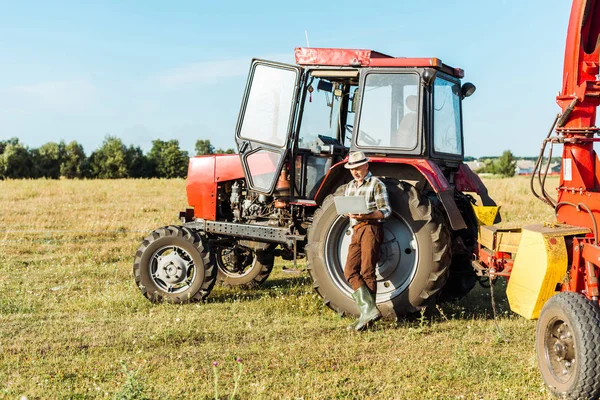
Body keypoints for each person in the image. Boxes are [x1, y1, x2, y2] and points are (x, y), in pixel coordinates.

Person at [343, 151, 391, 331]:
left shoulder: (376, 184)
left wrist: (368, 215)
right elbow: (347, 208)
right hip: (356, 228)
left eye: (358, 168)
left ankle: (367, 319)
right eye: (352, 169)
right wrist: (346, 211)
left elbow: (385, 210)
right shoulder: (349, 187)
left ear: (366, 166)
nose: (356, 172)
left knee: (367, 271)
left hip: (371, 227)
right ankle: (369, 310)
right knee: (349, 270)